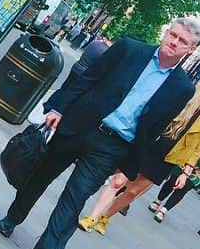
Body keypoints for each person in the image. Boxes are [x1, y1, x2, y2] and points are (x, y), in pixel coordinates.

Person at [0, 17, 200, 249]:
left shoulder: (182, 87)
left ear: (190, 50)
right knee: (40, 176)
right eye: (173, 35)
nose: (174, 42)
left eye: (183, 41)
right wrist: (58, 108)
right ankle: (13, 217)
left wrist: (129, 167)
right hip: (80, 125)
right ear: (166, 33)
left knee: (75, 196)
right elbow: (86, 78)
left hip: (113, 146)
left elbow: (155, 128)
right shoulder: (129, 49)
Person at [78, 83, 200, 232]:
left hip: (170, 158)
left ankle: (105, 217)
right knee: (118, 181)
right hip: (150, 144)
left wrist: (186, 173)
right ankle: (92, 217)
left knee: (132, 192)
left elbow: (197, 149)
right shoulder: (188, 93)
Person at [146, 158, 199, 223]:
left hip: (198, 172)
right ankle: (158, 200)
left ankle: (164, 210)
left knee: (184, 189)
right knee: (172, 180)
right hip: (189, 158)